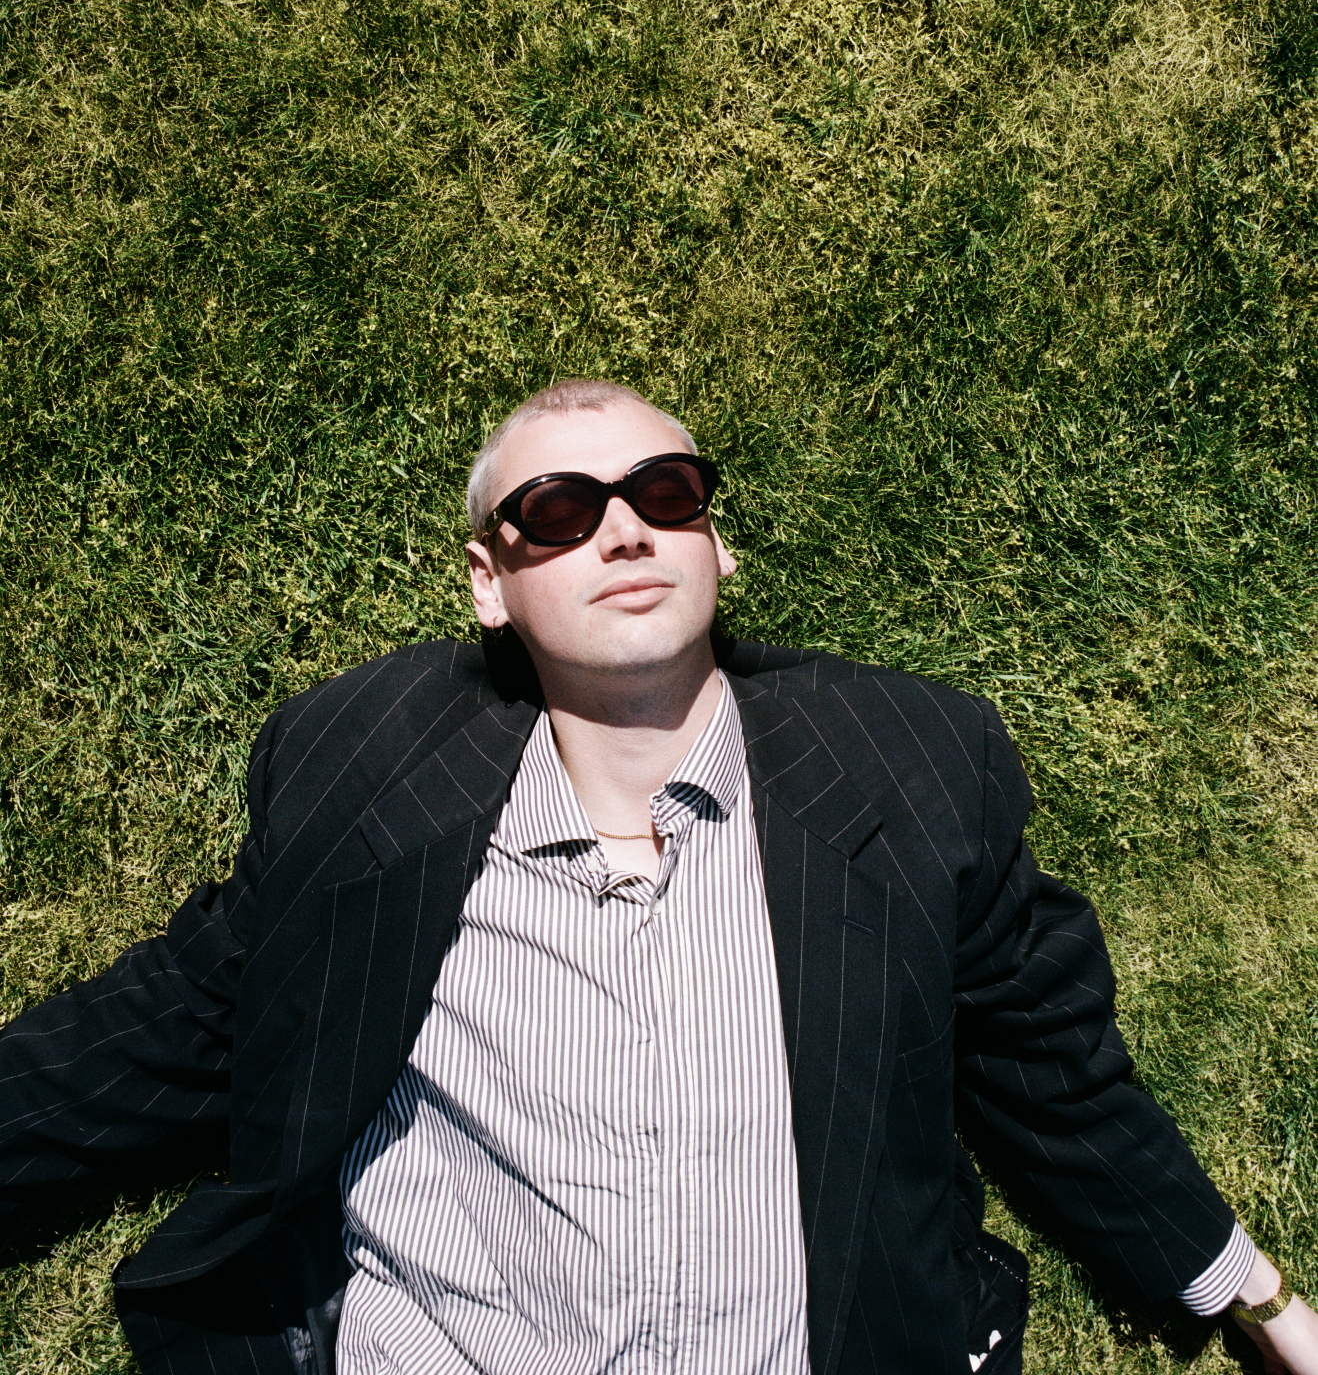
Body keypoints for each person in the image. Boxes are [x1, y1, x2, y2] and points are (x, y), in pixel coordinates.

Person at [1, 378, 1315, 1375]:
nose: (624, 531)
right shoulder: (367, 776)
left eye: (665, 493)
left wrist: (1255, 1299)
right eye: (559, 513)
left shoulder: (909, 767)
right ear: (491, 584)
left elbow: (1050, 1071)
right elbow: (168, 1026)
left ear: (716, 546)